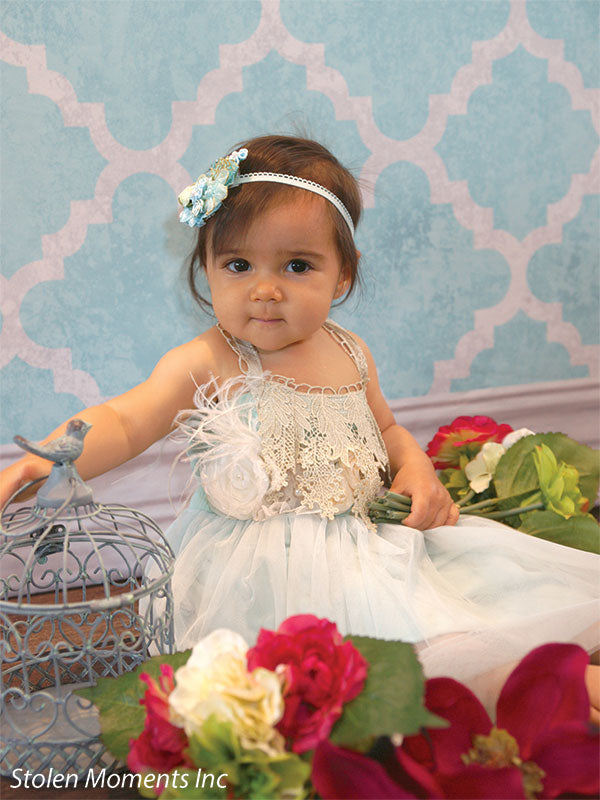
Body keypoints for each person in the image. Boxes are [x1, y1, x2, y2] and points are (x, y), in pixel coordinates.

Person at [1, 135, 598, 716]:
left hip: (368, 548)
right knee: (345, 682)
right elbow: (127, 420)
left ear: (342, 275)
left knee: (471, 617)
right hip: (257, 575)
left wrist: (416, 467)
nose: (265, 290)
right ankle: (517, 692)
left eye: (297, 265)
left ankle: (544, 684)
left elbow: (388, 430)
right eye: (239, 264)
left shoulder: (351, 352)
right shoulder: (211, 360)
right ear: (207, 268)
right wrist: (46, 459)